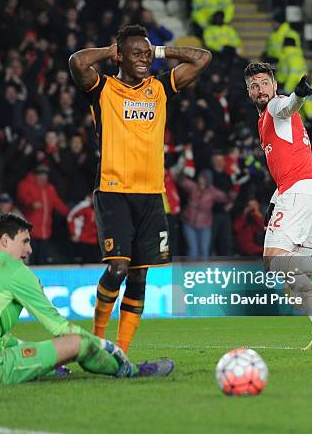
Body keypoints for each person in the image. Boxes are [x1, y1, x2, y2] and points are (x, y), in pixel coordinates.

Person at [68, 24, 211, 352]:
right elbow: (77, 62)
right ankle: (98, 341)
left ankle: (122, 352)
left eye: (147, 53)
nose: (144, 59)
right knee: (118, 268)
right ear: (121, 57)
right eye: (136, 54)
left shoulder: (159, 88)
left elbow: (203, 59)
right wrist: (108, 51)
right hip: (113, 189)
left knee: (139, 276)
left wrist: (161, 51)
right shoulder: (102, 89)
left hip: (151, 194)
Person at [0, 213, 173, 386]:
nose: (30, 250)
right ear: (4, 241)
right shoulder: (14, 270)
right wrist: (106, 346)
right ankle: (132, 371)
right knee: (77, 343)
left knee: (12, 342)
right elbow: (59, 328)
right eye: (25, 241)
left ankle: (50, 365)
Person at [244, 62, 312, 350]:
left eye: (264, 83)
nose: (260, 89)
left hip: (299, 194)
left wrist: (300, 95)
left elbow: (287, 106)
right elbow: (285, 163)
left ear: (274, 86)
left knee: (272, 262)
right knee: (291, 275)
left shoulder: (275, 107)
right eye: (254, 85)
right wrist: (272, 201)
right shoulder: (265, 122)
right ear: (248, 92)